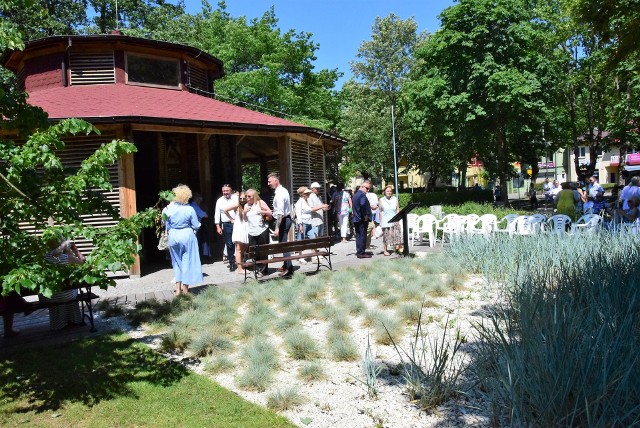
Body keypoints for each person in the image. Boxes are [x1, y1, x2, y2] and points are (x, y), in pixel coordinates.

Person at [163, 184, 203, 296]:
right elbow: (195, 225)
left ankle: (178, 290)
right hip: (187, 234)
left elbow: (166, 225)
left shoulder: (168, 209)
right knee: (187, 261)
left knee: (176, 262)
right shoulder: (189, 209)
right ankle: (185, 289)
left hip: (173, 235)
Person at [41, 236, 85, 330]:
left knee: (60, 293)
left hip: (48, 296)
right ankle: (74, 319)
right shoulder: (68, 258)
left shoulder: (43, 258)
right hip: (66, 296)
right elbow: (84, 264)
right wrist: (75, 250)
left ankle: (58, 324)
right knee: (71, 290)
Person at [268, 173, 294, 277]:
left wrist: (277, 227)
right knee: (284, 244)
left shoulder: (279, 194)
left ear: (276, 180)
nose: (268, 183)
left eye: (270, 181)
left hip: (283, 220)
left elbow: (280, 213)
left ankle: (288, 269)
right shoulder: (283, 190)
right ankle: (286, 265)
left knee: (284, 246)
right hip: (285, 219)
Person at [244, 188, 272, 277]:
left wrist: (262, 211)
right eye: (246, 196)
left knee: (263, 251)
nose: (247, 198)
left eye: (249, 196)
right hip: (251, 231)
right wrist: (245, 213)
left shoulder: (260, 202)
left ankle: (262, 270)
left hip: (262, 230)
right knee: (254, 252)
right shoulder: (246, 205)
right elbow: (245, 219)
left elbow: (270, 212)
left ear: (254, 196)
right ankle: (257, 268)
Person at [214, 184, 238, 272]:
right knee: (229, 244)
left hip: (237, 223)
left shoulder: (236, 198)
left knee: (239, 242)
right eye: (224, 191)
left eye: (227, 191)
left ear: (230, 190)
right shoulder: (219, 201)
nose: (225, 193)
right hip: (226, 224)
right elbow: (217, 214)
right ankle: (231, 263)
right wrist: (218, 226)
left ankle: (240, 262)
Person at [225, 191, 249, 274]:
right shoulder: (237, 205)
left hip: (246, 228)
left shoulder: (248, 205)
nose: (242, 200)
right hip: (239, 228)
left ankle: (241, 264)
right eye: (241, 198)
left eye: (244, 198)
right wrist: (231, 219)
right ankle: (239, 268)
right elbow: (225, 210)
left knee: (244, 248)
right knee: (238, 249)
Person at [352, 180, 373, 259]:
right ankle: (361, 252)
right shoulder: (362, 195)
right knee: (362, 235)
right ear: (362, 187)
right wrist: (365, 215)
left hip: (356, 218)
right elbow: (363, 204)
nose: (368, 190)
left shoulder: (356, 195)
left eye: (369, 189)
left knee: (358, 235)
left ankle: (359, 251)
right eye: (367, 188)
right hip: (361, 219)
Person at [379, 185, 400, 256]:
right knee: (386, 236)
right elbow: (380, 211)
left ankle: (398, 250)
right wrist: (380, 222)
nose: (389, 192)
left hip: (394, 220)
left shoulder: (395, 199)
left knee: (397, 235)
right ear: (384, 192)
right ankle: (385, 250)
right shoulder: (381, 200)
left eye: (390, 191)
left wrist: (398, 218)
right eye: (387, 191)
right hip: (385, 221)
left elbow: (397, 209)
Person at [189, 192, 211, 259]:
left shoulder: (190, 205)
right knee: (196, 243)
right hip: (195, 228)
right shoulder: (195, 206)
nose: (200, 202)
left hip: (192, 227)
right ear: (197, 199)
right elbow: (205, 215)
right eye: (199, 201)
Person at [365, 184, 380, 250]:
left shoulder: (367, 195)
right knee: (371, 226)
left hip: (369, 212)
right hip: (372, 212)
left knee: (370, 226)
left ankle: (367, 243)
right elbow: (377, 203)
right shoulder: (374, 195)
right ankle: (368, 242)